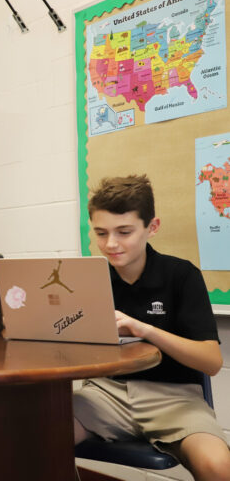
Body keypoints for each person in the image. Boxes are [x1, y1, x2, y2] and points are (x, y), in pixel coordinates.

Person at [73, 175, 230, 481]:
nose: (110, 244)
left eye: (124, 232)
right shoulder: (90, 279)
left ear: (152, 227)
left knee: (218, 466)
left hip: (175, 399)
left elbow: (211, 362)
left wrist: (145, 330)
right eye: (101, 233)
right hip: (105, 394)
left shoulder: (181, 275)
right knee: (38, 437)